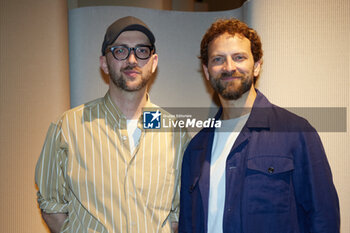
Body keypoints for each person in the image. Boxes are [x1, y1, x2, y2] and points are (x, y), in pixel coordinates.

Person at [179, 18, 340, 233]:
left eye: (239, 57)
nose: (229, 67)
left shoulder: (296, 133)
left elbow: (324, 220)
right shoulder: (196, 149)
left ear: (256, 66)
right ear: (207, 71)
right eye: (218, 59)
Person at [35, 16, 189, 233]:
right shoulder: (68, 127)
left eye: (141, 51)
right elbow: (51, 206)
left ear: (153, 63)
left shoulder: (175, 131)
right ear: (104, 63)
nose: (132, 60)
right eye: (120, 51)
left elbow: (179, 210)